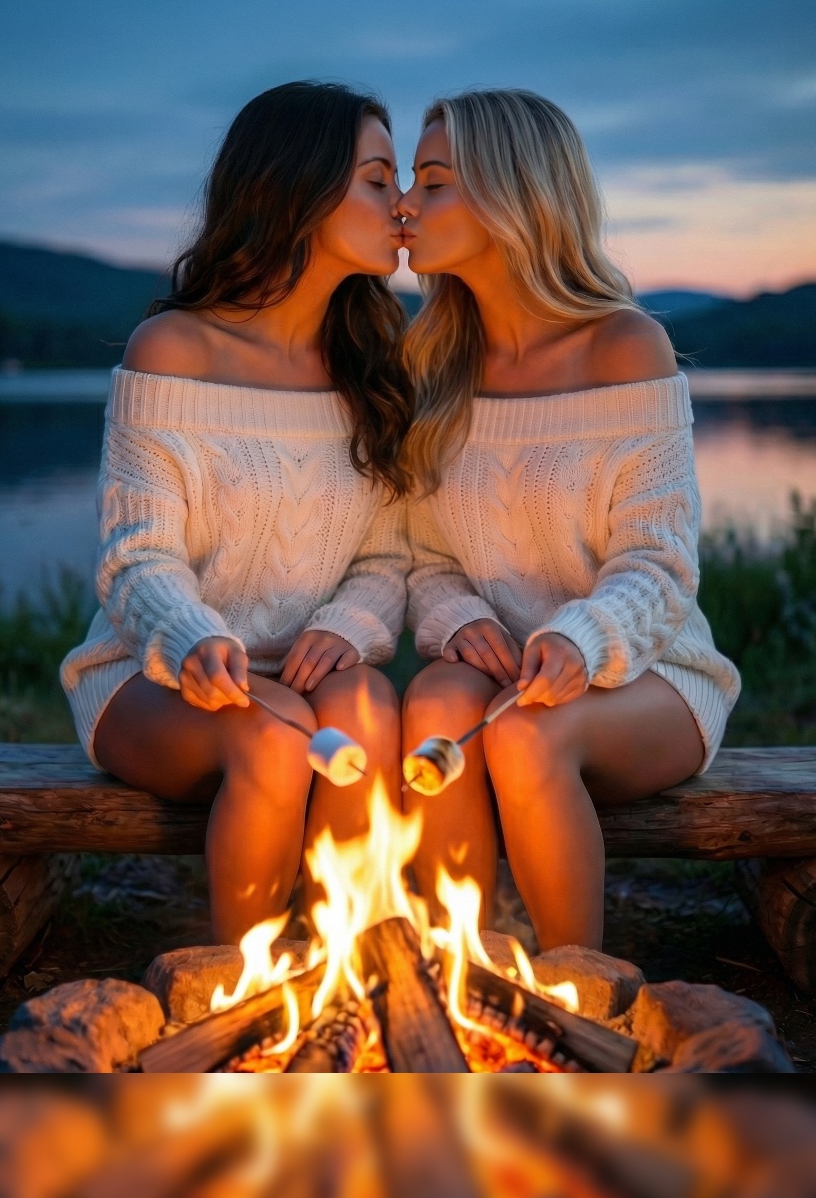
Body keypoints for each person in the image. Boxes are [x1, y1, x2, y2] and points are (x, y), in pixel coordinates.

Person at [61, 81, 413, 944]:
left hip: (302, 676)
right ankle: (240, 986)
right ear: (299, 185)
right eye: (377, 178)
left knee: (366, 710)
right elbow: (136, 556)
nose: (402, 203)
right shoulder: (177, 347)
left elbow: (390, 554)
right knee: (275, 739)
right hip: (155, 676)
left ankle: (347, 979)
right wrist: (191, 638)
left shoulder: (373, 360)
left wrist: (347, 622)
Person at [397, 89, 740, 951]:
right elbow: (424, 554)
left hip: (649, 674)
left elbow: (661, 565)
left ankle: (578, 993)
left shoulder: (622, 346)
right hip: (505, 673)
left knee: (521, 731)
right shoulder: (433, 362)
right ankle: (454, 982)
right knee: (435, 703)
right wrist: (459, 618)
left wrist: (585, 637)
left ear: (510, 194)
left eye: (432, 182)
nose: (406, 203)